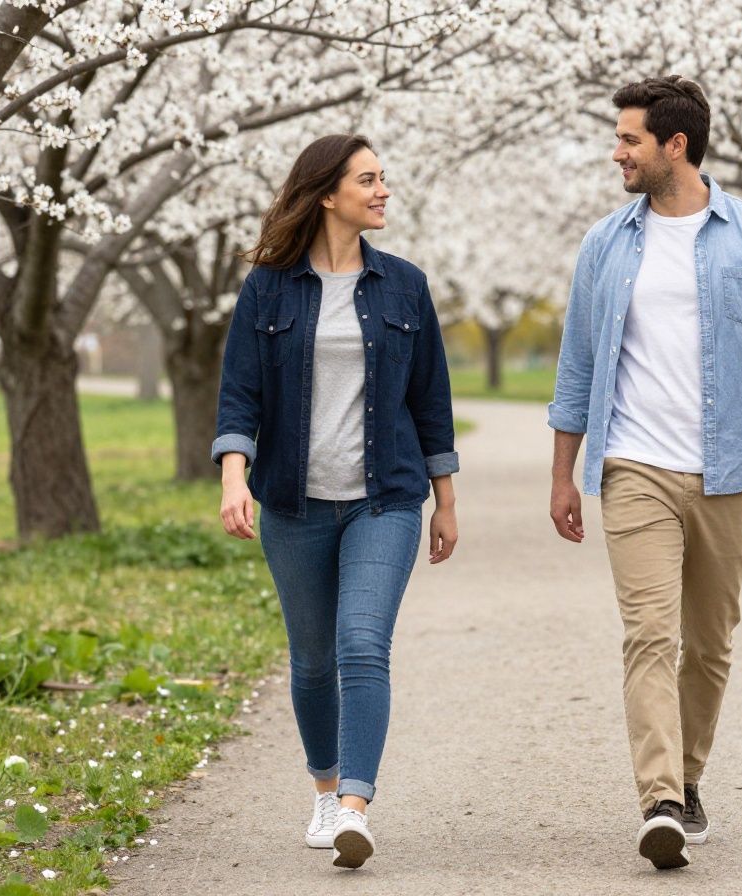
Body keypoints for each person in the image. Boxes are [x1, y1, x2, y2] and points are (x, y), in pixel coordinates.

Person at [548, 77, 742, 871]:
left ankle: (690, 777)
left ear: (676, 146)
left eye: (630, 139)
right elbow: (577, 366)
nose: (616, 152)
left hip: (732, 468)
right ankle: (661, 798)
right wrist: (565, 476)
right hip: (634, 467)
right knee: (648, 636)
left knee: (708, 644)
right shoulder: (606, 243)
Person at [212, 133, 459, 870]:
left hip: (384, 497)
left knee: (361, 644)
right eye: (368, 180)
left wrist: (444, 500)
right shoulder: (267, 289)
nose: (383, 190)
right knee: (314, 659)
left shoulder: (406, 287)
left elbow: (432, 401)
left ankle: (354, 806)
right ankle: (324, 789)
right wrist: (233, 477)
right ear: (327, 194)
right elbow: (240, 393)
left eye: (384, 178)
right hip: (292, 499)